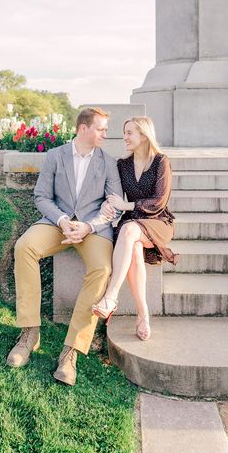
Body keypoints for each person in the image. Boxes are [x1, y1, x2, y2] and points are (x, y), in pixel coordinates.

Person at [6, 107, 123, 386]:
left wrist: (89, 226)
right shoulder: (55, 156)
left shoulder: (108, 162)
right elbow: (42, 196)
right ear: (83, 129)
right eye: (101, 129)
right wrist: (62, 221)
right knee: (24, 248)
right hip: (57, 223)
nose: (105, 134)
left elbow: (115, 203)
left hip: (92, 229)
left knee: (102, 268)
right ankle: (29, 333)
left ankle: (71, 351)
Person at [92, 116, 178, 341]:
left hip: (157, 221)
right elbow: (110, 193)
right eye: (124, 132)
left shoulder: (161, 162)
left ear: (144, 135)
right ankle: (143, 315)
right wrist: (107, 204)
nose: (125, 137)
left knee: (129, 231)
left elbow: (159, 201)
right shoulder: (122, 165)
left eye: (129, 132)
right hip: (132, 223)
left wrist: (127, 205)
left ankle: (111, 296)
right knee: (134, 250)